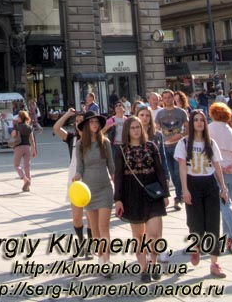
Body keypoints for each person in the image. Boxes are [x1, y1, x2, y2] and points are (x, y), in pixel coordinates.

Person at [114, 115, 169, 283]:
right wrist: (118, 199)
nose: (136, 130)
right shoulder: (122, 150)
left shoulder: (151, 146)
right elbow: (118, 177)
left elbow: (160, 170)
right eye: (133, 128)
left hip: (152, 193)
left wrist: (165, 193)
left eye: (138, 127)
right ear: (127, 131)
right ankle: (144, 269)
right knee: (138, 236)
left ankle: (153, 264)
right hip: (132, 195)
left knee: (155, 234)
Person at [175, 110, 228, 278]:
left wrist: (223, 188)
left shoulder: (211, 143)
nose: (199, 123)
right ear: (191, 123)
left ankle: (214, 263)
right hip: (192, 184)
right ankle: (196, 247)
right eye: (195, 120)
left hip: (210, 184)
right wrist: (184, 189)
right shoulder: (183, 143)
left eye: (201, 120)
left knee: (213, 224)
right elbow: (182, 168)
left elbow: (217, 166)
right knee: (195, 223)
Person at [74, 114, 115, 270]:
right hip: (88, 191)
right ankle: (101, 256)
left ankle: (107, 260)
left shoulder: (105, 142)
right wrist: (76, 177)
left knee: (104, 226)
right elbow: (80, 168)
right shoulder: (80, 144)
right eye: (91, 122)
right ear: (86, 125)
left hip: (105, 188)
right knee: (95, 229)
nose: (94, 124)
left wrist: (116, 182)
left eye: (96, 122)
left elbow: (111, 166)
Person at [207, 101, 232, 249]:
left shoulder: (209, 129)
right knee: (228, 204)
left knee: (224, 204)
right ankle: (228, 238)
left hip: (217, 170)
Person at [53, 108, 87, 241]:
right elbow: (56, 128)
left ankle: (89, 245)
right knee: (77, 217)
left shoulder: (95, 139)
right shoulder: (71, 139)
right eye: (76, 121)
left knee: (91, 216)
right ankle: (81, 240)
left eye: (81, 121)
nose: (78, 123)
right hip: (76, 182)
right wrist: (67, 114)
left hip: (91, 178)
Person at [154, 89, 188, 210]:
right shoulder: (160, 114)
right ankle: (179, 195)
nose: (167, 100)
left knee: (177, 173)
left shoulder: (181, 112)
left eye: (169, 97)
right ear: (162, 99)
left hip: (178, 146)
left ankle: (178, 197)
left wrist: (181, 135)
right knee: (170, 174)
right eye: (165, 98)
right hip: (165, 146)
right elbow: (157, 130)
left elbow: (188, 128)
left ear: (173, 98)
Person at [11, 110, 36, 191]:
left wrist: (13, 130)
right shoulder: (29, 127)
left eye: (18, 116)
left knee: (16, 165)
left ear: (21, 118)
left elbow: (13, 135)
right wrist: (34, 150)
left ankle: (25, 179)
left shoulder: (17, 126)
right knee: (27, 167)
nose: (17, 118)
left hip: (19, 147)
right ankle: (28, 187)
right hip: (27, 147)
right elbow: (32, 140)